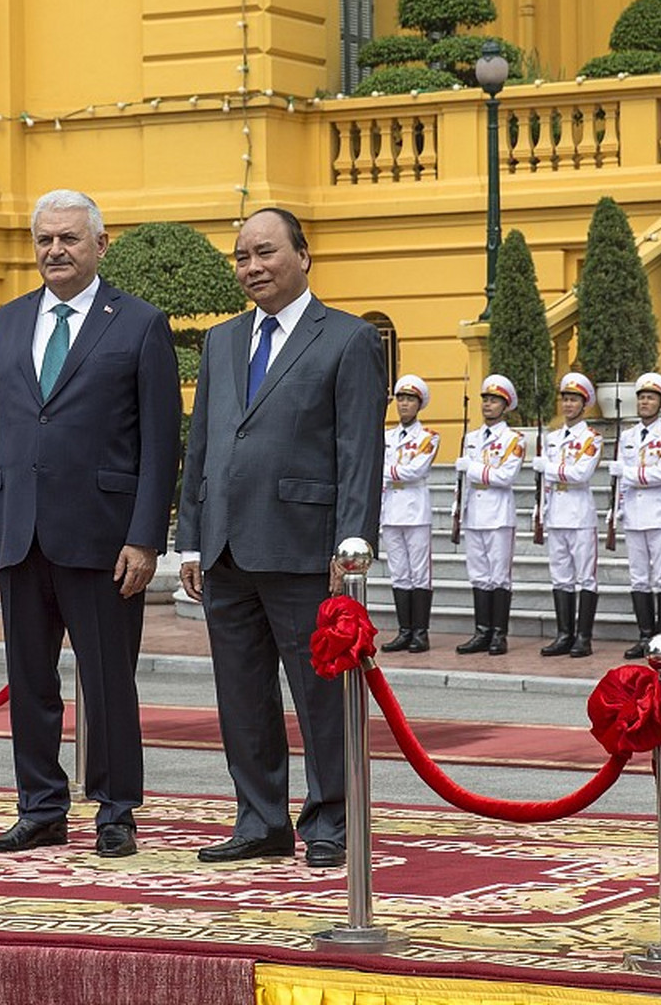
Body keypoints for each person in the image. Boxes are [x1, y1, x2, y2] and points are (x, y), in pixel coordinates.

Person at [0, 189, 181, 859]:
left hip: (105, 538)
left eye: (69, 238)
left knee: (108, 682)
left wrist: (145, 537)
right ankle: (40, 809)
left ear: (100, 245)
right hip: (19, 532)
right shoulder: (4, 323)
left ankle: (116, 811)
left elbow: (161, 443)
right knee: (30, 682)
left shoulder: (139, 323)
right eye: (45, 240)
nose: (55, 250)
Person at [177, 206, 385, 870]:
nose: (252, 267)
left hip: (306, 549)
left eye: (265, 252)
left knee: (321, 697)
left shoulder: (349, 339)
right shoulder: (222, 341)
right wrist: (190, 538)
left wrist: (352, 547)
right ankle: (260, 820)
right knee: (242, 697)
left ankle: (331, 820)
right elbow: (204, 444)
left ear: (303, 255)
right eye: (242, 257)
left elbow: (359, 451)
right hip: (226, 549)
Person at [610, 372, 661, 659]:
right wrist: (617, 507)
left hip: (660, 512)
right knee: (638, 577)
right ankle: (644, 636)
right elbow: (620, 481)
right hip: (633, 512)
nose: (644, 402)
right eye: (641, 397)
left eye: (650, 398)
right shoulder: (627, 436)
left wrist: (627, 473)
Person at [454, 374, 525, 655]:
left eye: (494, 400)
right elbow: (463, 481)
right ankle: (481, 632)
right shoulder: (471, 438)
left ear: (505, 406)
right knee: (479, 575)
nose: (487, 405)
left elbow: (505, 476)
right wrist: (459, 506)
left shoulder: (513, 439)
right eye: (485, 399)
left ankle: (499, 634)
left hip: (498, 514)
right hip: (474, 512)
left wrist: (472, 468)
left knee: (499, 576)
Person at [534, 371, 601, 658]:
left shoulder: (591, 438)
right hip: (556, 512)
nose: (568, 405)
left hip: (579, 513)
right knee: (560, 576)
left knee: (585, 577)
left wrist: (548, 468)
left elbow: (580, 473)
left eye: (574, 400)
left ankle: (583, 637)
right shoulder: (552, 438)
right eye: (565, 399)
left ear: (584, 404)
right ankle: (564, 634)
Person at [380, 373, 439, 653]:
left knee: (419, 573)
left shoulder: (428, 437)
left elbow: (416, 470)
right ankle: (404, 631)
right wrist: (395, 473)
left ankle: (420, 633)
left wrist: (388, 472)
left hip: (415, 511)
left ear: (419, 404)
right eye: (401, 398)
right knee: (399, 573)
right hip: (390, 510)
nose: (404, 404)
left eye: (410, 399)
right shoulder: (386, 437)